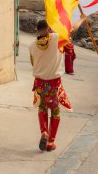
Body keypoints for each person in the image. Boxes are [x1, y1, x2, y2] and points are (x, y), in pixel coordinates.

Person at [29, 20, 72, 152]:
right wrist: (81, 19)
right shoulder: (56, 38)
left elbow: (33, 63)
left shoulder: (31, 45)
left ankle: (44, 133)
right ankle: (50, 142)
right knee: (55, 111)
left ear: (37, 30)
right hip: (54, 83)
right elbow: (70, 31)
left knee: (42, 108)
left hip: (40, 83)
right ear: (48, 29)